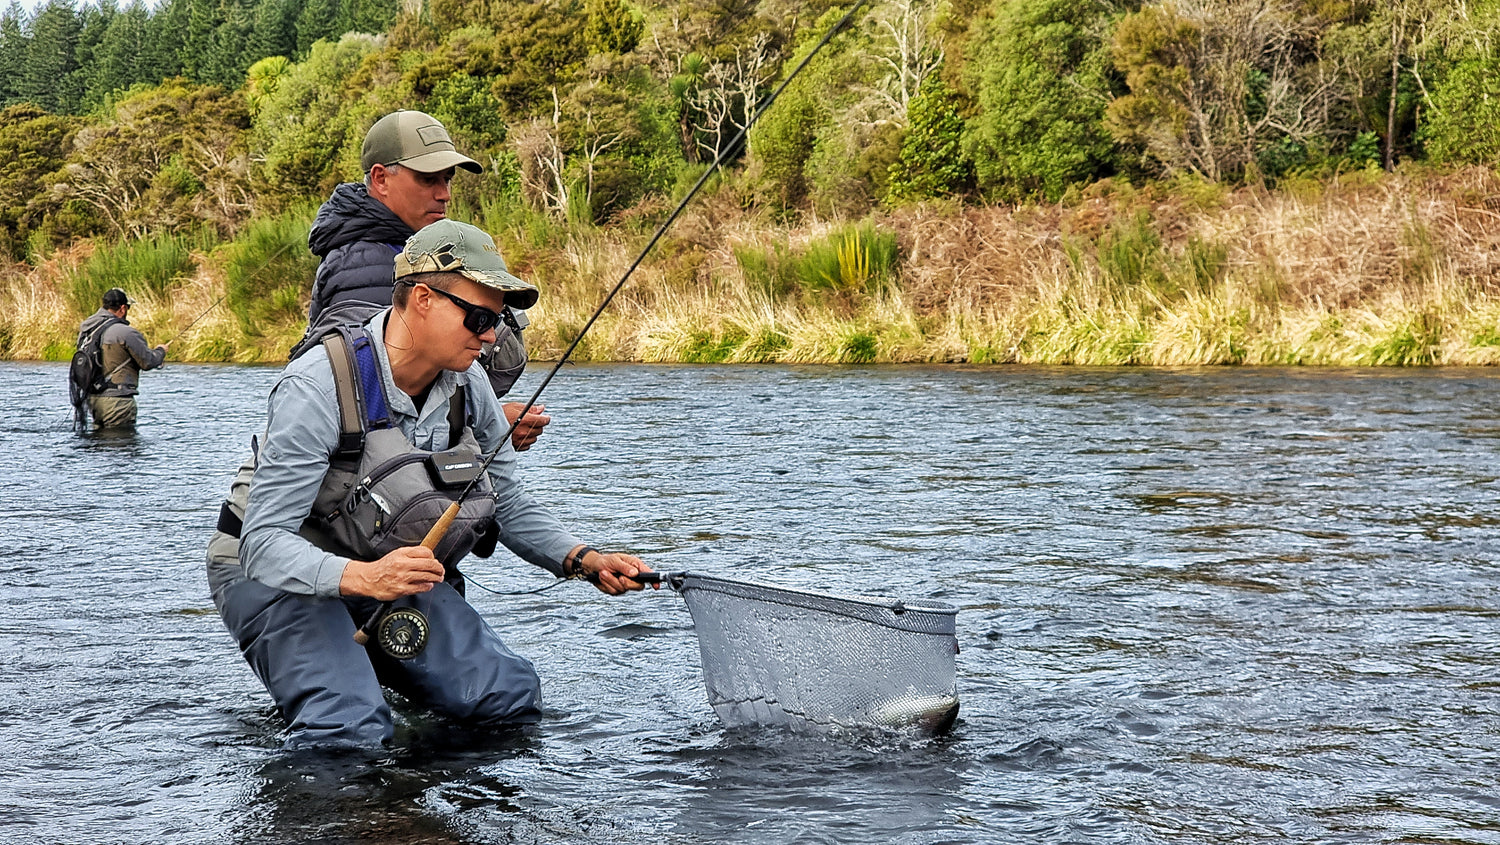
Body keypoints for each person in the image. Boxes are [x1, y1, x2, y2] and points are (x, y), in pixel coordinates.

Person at [206, 219, 653, 750]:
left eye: (500, 319)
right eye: (479, 317)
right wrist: (364, 579)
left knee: (505, 697)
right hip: (271, 570)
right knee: (348, 727)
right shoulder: (316, 387)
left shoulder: (471, 383)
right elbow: (263, 544)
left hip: (385, 568)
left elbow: (505, 498)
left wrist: (581, 558)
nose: (490, 335)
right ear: (422, 298)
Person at [290, 108, 550, 452]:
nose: (444, 194)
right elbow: (365, 387)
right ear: (381, 179)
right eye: (428, 179)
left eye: (447, 179)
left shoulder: (406, 249)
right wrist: (489, 424)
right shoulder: (362, 263)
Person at [74, 287, 168, 429]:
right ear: (123, 309)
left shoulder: (88, 329)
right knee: (122, 445)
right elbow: (148, 362)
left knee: (99, 448)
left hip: (93, 401)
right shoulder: (126, 333)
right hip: (117, 403)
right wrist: (161, 351)